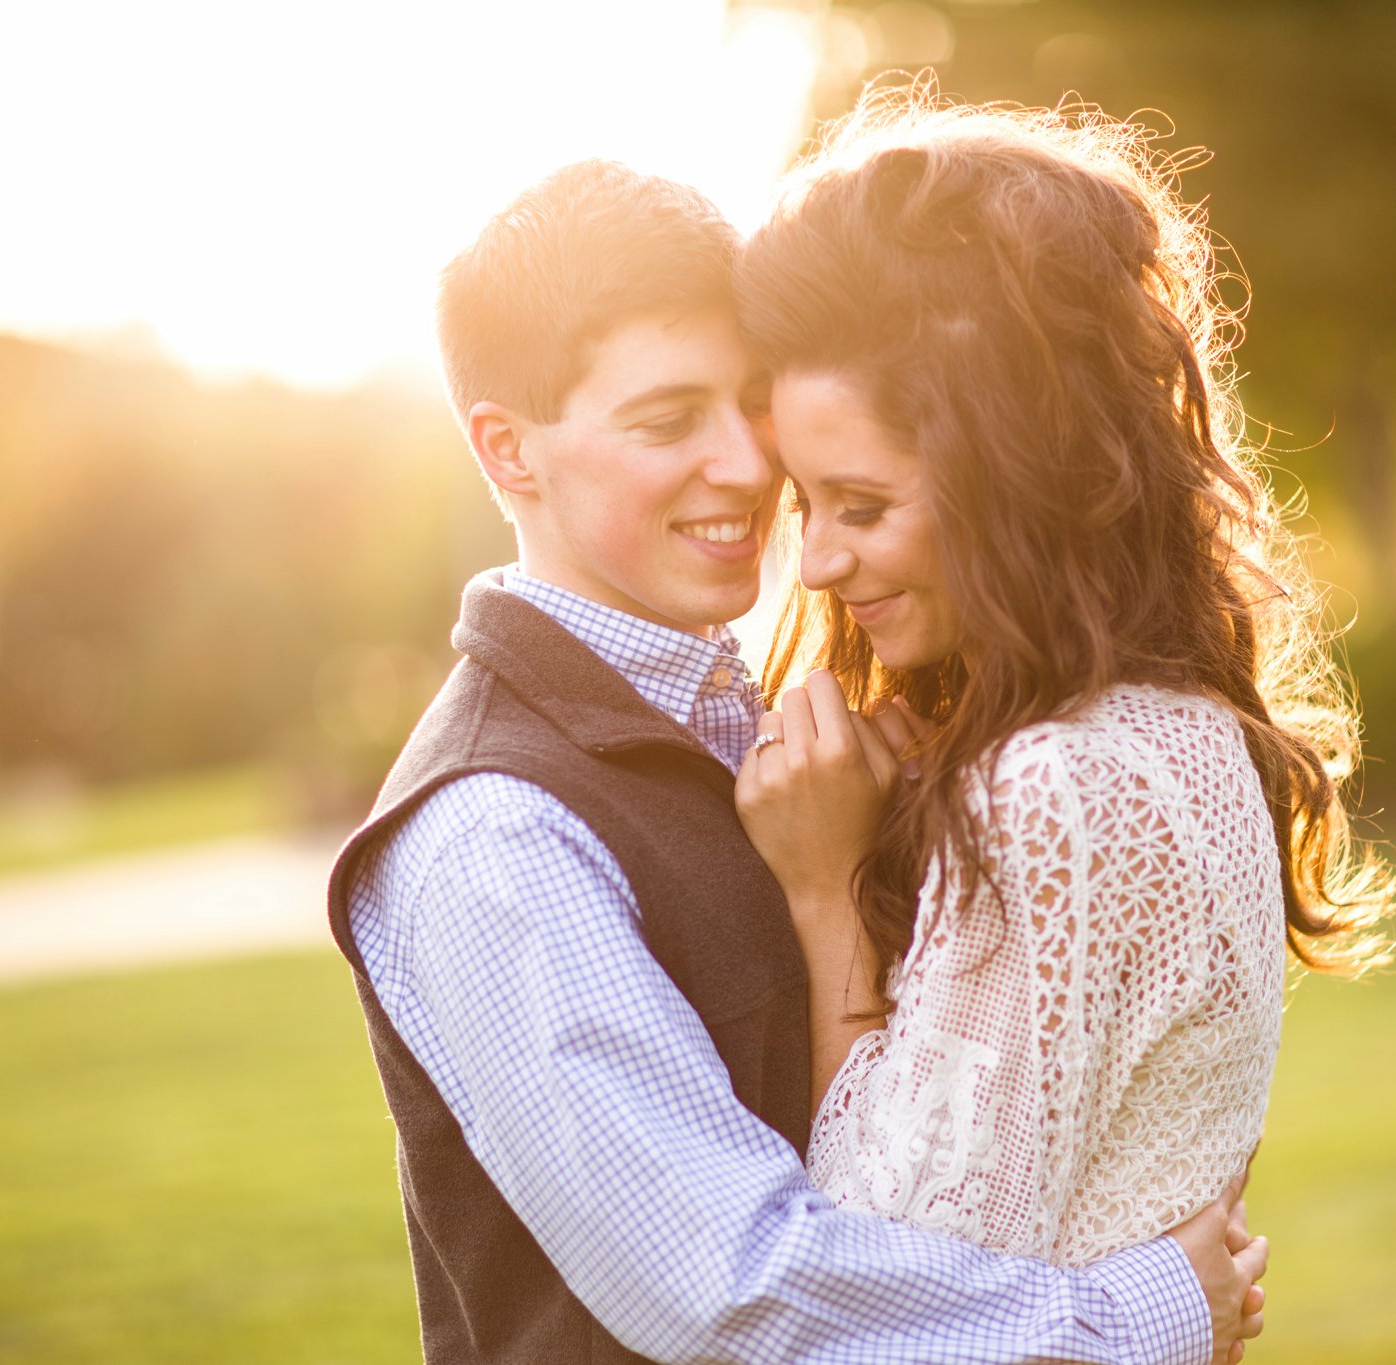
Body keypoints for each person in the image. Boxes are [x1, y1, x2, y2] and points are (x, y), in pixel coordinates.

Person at [323, 159, 1267, 1365]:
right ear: (507, 452)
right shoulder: (493, 834)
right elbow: (726, 1286)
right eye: (668, 421)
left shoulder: (791, 729)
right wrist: (1141, 1313)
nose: (746, 466)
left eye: (749, 404)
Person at [732, 89, 1396, 1268]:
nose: (821, 563)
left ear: (1009, 479)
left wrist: (825, 893)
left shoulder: (1049, 786)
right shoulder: (1184, 731)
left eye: (863, 505)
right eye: (806, 506)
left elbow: (885, 1270)